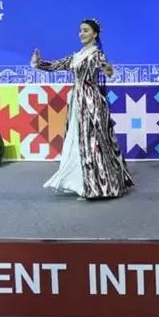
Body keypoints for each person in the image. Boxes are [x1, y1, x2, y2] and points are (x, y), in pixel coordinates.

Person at [31, 18, 133, 200]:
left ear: (94, 34)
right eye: (80, 30)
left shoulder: (96, 54)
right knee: (79, 141)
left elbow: (106, 71)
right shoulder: (76, 56)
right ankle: (83, 182)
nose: (81, 34)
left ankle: (99, 184)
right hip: (77, 101)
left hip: (91, 102)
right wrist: (39, 63)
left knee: (93, 141)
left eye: (85, 30)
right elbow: (56, 66)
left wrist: (109, 70)